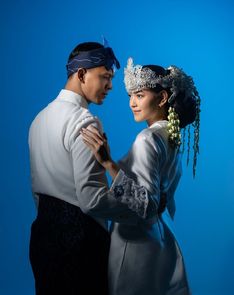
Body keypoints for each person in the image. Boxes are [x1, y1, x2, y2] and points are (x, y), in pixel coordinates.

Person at [29, 42, 161, 295]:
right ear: (81, 74)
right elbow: (92, 201)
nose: (110, 86)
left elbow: (36, 187)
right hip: (79, 239)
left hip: (42, 236)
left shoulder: (39, 119)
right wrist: (140, 210)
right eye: (105, 77)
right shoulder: (84, 120)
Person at [81, 57, 201, 295]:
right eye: (130, 96)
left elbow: (148, 204)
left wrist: (108, 163)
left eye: (140, 95)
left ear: (163, 98)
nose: (132, 103)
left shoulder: (148, 139)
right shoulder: (171, 136)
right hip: (161, 237)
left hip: (136, 242)